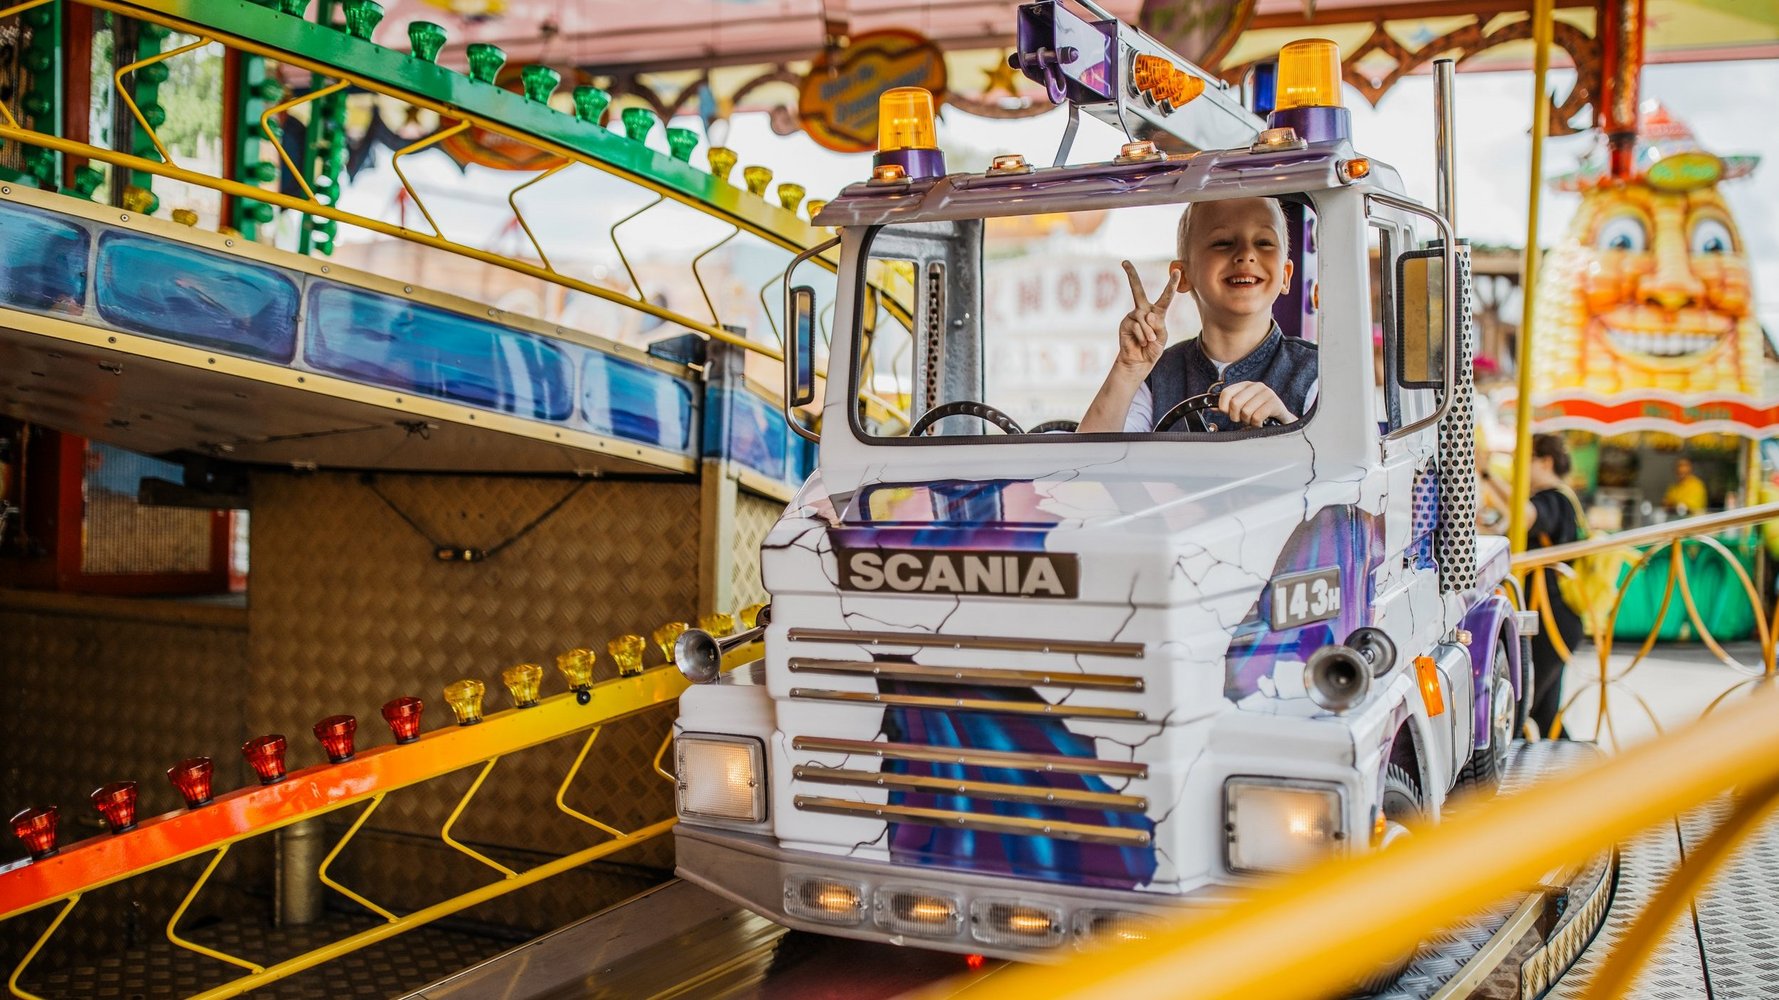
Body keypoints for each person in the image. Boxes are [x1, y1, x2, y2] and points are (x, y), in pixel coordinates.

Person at [1078, 197, 1317, 433]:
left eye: (1264, 242)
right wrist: (1128, 368)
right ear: (1182, 275)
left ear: (1285, 276)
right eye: (1223, 242)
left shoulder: (1316, 372)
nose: (1246, 254)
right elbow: (1087, 461)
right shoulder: (1157, 377)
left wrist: (1288, 423)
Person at [1481, 433, 1584, 738]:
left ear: (1545, 462)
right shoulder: (1555, 500)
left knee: (1520, 704)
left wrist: (1487, 474)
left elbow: (1526, 516)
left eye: (1522, 459)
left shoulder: (1556, 500)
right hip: (1550, 617)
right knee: (1544, 711)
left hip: (1549, 616)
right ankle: (1576, 772)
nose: (1516, 467)